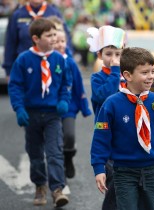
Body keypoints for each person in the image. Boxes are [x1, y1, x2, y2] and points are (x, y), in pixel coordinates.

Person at [90, 47, 154, 210]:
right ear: (127, 75)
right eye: (144, 73)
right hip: (124, 172)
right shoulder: (111, 104)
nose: (151, 77)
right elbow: (101, 139)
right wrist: (99, 168)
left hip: (152, 170)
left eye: (152, 71)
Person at [8, 18, 71, 207]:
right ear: (36, 38)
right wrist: (19, 109)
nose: (54, 38)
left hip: (53, 114)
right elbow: (15, 86)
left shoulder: (59, 59)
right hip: (32, 114)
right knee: (35, 155)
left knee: (54, 152)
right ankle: (39, 186)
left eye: (55, 34)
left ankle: (57, 189)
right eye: (49, 35)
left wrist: (63, 101)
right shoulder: (24, 60)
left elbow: (66, 84)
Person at [87, 25, 126, 210]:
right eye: (109, 54)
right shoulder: (97, 78)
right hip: (107, 137)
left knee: (128, 184)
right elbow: (105, 97)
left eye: (118, 54)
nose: (114, 59)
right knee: (115, 184)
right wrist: (116, 73)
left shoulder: (128, 77)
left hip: (128, 137)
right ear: (100, 55)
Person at [52, 20, 92, 180]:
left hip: (69, 107)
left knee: (69, 136)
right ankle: (57, 172)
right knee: (54, 140)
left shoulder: (70, 62)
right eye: (56, 42)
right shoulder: (47, 61)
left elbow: (78, 87)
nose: (60, 45)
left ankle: (68, 157)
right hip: (51, 108)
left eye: (63, 41)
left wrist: (84, 107)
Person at [3, 0, 72, 80]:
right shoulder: (18, 14)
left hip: (51, 67)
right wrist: (8, 71)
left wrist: (68, 62)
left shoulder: (54, 12)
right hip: (25, 68)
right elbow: (10, 44)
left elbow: (66, 40)